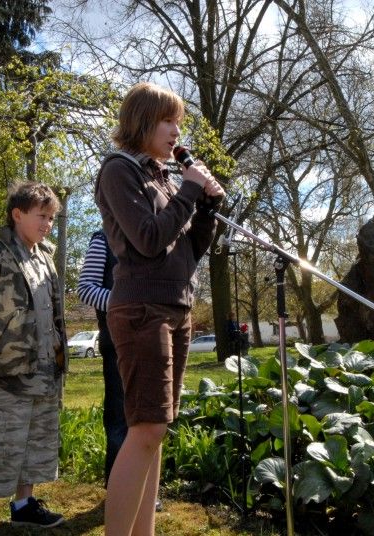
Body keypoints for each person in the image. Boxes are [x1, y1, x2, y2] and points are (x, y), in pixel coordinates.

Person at [95, 82, 223, 535]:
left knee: (158, 431)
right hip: (141, 310)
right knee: (145, 428)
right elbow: (148, 240)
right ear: (143, 120)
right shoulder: (119, 170)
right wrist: (189, 191)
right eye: (169, 121)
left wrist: (206, 207)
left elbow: (187, 251)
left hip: (176, 306)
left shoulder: (164, 176)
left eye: (179, 123)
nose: (176, 131)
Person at [0, 182, 67, 536]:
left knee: (37, 442)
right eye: (42, 216)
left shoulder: (45, 257)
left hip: (45, 368)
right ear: (17, 214)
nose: (48, 223)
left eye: (52, 218)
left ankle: (24, 505)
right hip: (8, 370)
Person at [76, 230, 125, 485]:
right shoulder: (103, 238)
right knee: (120, 414)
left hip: (150, 340)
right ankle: (120, 485)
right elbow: (86, 289)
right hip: (117, 341)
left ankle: (142, 486)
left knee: (148, 415)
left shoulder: (153, 234)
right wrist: (128, 303)